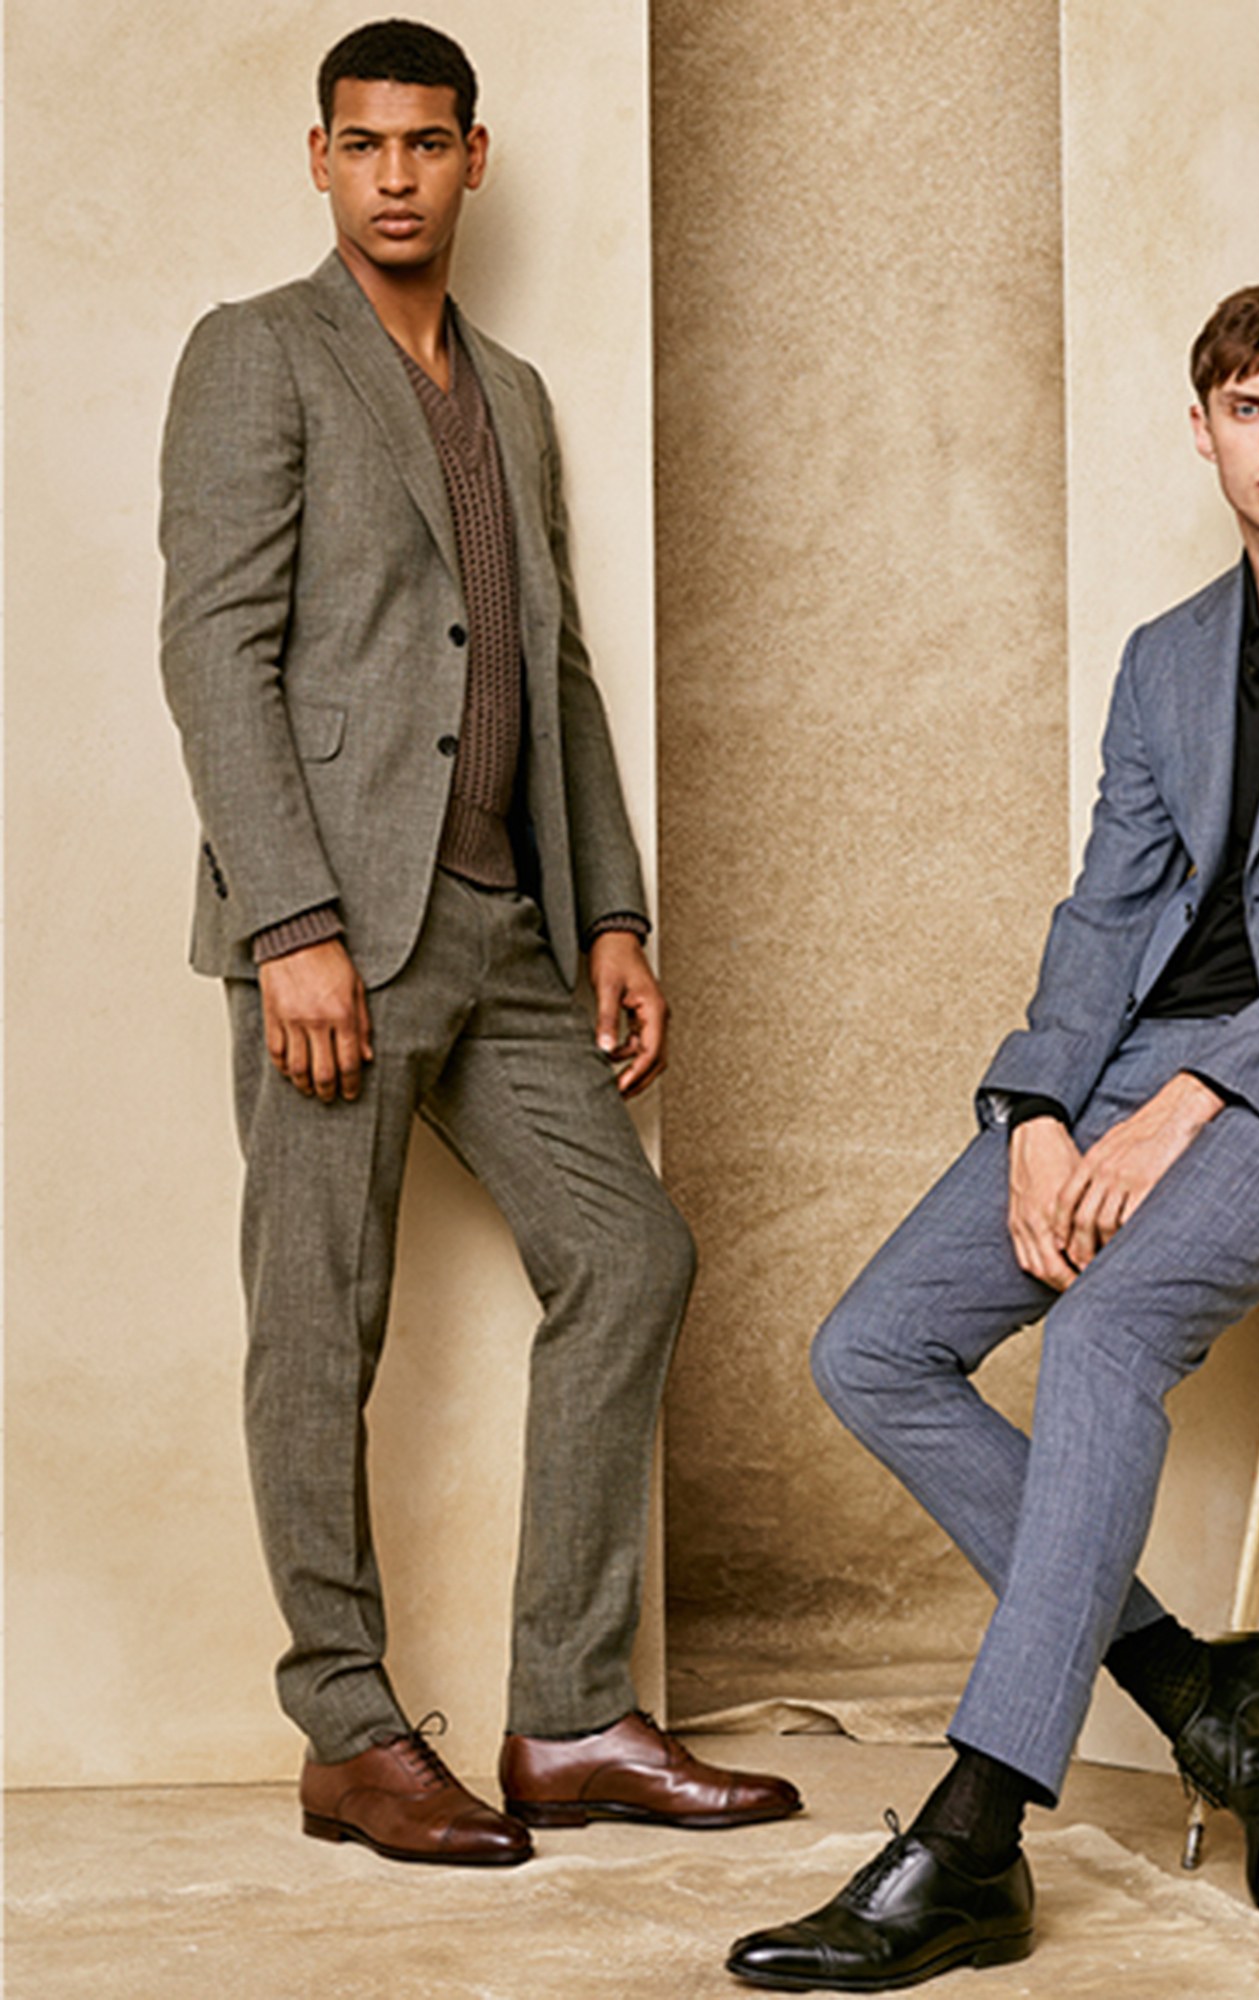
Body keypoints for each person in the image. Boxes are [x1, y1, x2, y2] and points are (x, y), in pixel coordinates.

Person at [726, 279, 1259, 1988]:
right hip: (1131, 1062)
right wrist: (1032, 1111)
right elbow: (1105, 911)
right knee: (873, 1347)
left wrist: (1194, 1095)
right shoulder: (1166, 656)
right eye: (1252, 410)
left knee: (1100, 1338)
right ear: (1206, 432)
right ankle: (1195, 1686)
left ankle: (974, 1839)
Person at [159, 18, 799, 1869]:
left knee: (633, 1254)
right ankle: (348, 1731)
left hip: (505, 923)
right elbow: (214, 650)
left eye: (425, 143)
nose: (395, 175)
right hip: (334, 935)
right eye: (363, 144)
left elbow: (555, 669)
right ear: (320, 158)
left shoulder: (511, 394)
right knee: (321, 1321)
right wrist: (291, 921)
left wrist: (611, 911)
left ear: (473, 157)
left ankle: (570, 1713)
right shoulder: (258, 353)